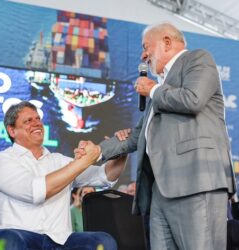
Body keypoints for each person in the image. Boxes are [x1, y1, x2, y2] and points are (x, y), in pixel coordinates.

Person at [77, 22, 236, 249]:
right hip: (160, 191)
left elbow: (193, 99)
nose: (143, 56)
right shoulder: (162, 88)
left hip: (196, 182)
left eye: (146, 47)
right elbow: (137, 135)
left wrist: (152, 89)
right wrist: (98, 151)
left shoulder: (198, 59)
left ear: (167, 42)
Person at [0, 101, 128, 250]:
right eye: (28, 121)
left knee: (103, 242)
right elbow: (36, 192)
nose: (36, 123)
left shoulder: (60, 161)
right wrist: (82, 162)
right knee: (9, 242)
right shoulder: (2, 161)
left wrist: (121, 149)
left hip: (59, 241)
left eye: (38, 119)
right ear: (12, 131)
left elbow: (104, 176)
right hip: (16, 235)